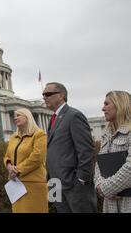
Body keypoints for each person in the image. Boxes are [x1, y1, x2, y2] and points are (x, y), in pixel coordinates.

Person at [44, 82, 97, 213]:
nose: (44, 97)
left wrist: (81, 179)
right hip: (55, 183)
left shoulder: (74, 116)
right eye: (43, 95)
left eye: (48, 94)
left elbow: (86, 150)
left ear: (61, 95)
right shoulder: (53, 118)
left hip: (73, 184)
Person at [3, 108, 48, 213]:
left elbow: (37, 157)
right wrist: (9, 166)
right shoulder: (13, 137)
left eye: (19, 115)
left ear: (27, 117)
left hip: (33, 184)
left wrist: (17, 170)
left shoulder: (39, 134)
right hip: (16, 184)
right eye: (15, 116)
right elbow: (7, 156)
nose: (15, 118)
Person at [94, 90, 131, 213]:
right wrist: (99, 186)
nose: (103, 108)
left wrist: (106, 189)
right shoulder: (106, 135)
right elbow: (98, 165)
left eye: (106, 104)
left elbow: (130, 168)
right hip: (110, 203)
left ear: (120, 105)